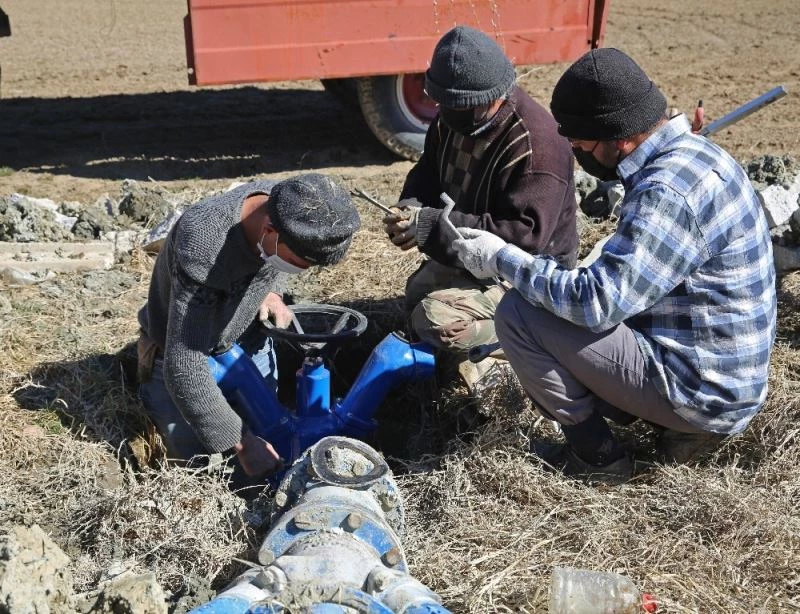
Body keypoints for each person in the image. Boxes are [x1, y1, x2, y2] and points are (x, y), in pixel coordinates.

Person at [443, 48, 777, 484]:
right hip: (723, 374)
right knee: (553, 303)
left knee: (519, 315)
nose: (577, 152)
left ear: (618, 137)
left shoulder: (667, 193)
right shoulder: (700, 157)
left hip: (703, 391)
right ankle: (666, 424)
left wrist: (501, 258)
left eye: (581, 144)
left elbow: (595, 304)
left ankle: (598, 458)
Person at [382, 25, 578, 392]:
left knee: (436, 320)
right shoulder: (452, 117)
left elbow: (526, 238)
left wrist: (431, 227)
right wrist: (409, 206)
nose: (447, 113)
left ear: (493, 95)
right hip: (470, 254)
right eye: (443, 103)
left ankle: (525, 340)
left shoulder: (538, 144)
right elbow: (428, 171)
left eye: (459, 106)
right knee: (415, 298)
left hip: (527, 276)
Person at [137, 174, 360, 487]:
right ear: (269, 231)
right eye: (298, 263)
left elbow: (277, 261)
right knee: (191, 471)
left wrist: (272, 291)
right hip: (180, 355)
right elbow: (184, 363)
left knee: (265, 459)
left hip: (244, 341)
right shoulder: (204, 243)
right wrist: (242, 442)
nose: (299, 270)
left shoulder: (288, 203)